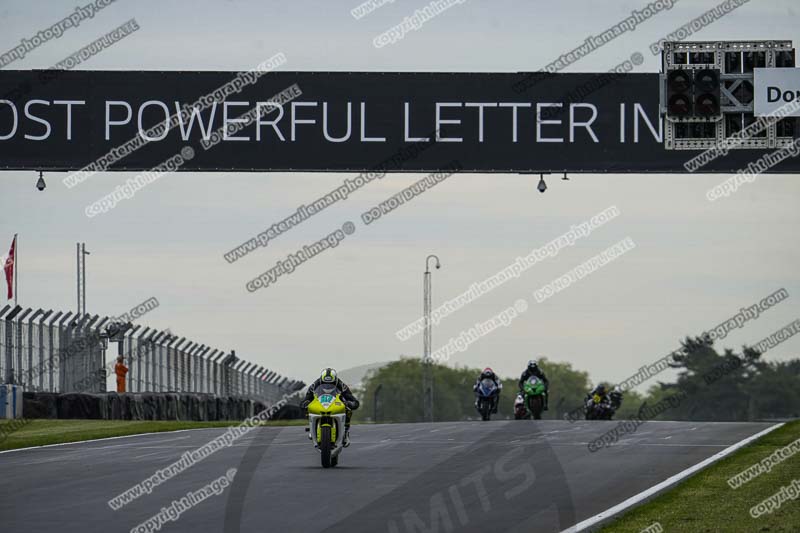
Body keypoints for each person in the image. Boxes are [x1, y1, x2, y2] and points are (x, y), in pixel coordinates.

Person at [301, 368, 359, 447]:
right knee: (308, 409)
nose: (328, 386)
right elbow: (307, 396)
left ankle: (345, 431)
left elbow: (350, 397)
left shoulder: (341, 384)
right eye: (325, 383)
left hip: (336, 403)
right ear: (321, 380)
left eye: (330, 384)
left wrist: (351, 403)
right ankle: (312, 429)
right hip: (320, 403)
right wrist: (305, 403)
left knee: (348, 409)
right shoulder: (315, 384)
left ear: (335, 381)